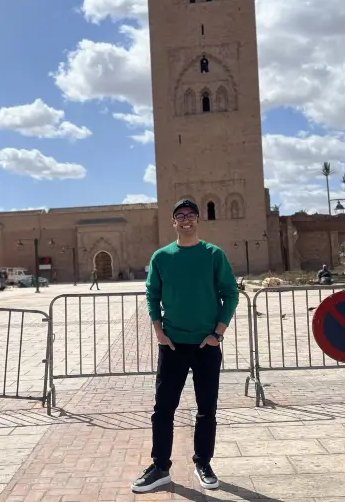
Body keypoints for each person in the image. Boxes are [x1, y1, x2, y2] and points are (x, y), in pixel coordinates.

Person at [131, 199, 239, 493]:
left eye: (191, 215)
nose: (186, 219)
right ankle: (160, 467)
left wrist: (217, 333)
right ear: (173, 221)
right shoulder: (161, 257)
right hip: (173, 345)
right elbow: (152, 294)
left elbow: (230, 293)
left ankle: (203, 462)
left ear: (198, 220)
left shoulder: (213, 255)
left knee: (206, 409)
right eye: (181, 215)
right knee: (163, 409)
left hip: (206, 345)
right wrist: (159, 331)